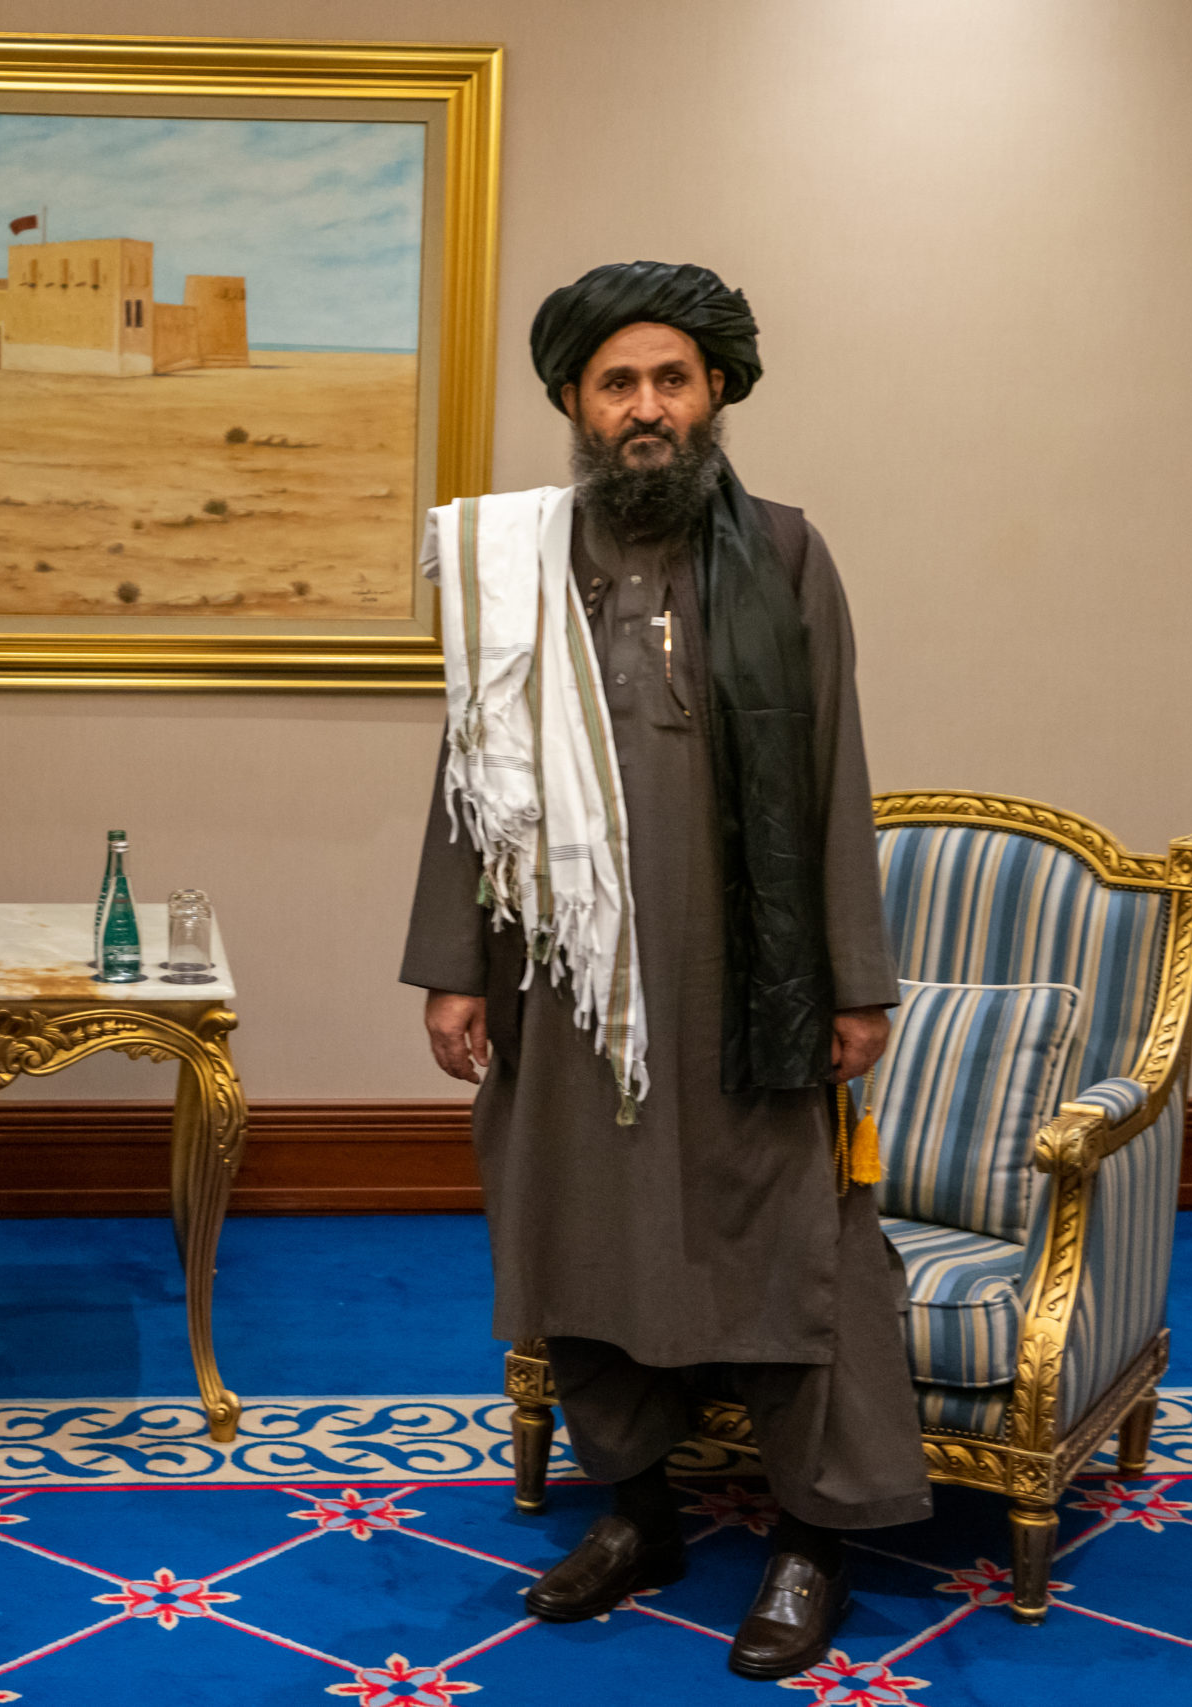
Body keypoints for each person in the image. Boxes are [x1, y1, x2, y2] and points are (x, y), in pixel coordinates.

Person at [401, 261, 925, 1681]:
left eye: (672, 381)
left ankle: (815, 1538)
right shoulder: (518, 559)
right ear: (574, 401)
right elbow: (471, 767)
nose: (647, 408)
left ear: (716, 394)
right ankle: (638, 1512)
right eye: (618, 382)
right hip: (565, 980)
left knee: (793, 1248)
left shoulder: (789, 553)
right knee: (577, 1231)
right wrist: (457, 966)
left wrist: (854, 979)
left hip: (747, 976)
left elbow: (834, 770)